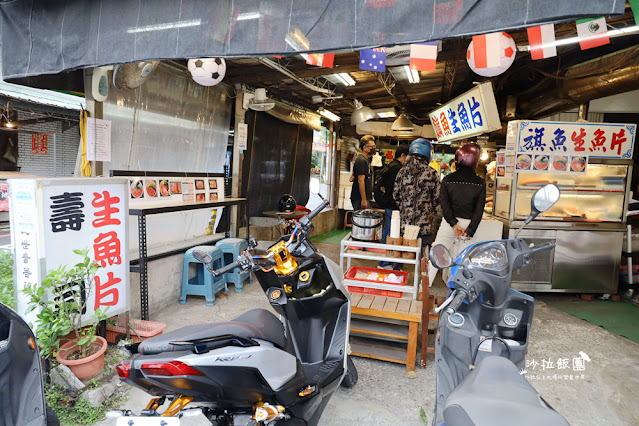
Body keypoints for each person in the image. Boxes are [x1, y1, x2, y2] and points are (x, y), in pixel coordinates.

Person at [428, 143, 486, 286]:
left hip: (449, 224)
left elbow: (445, 205)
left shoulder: (448, 180)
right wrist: (470, 230)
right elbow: (479, 210)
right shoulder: (480, 182)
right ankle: (459, 290)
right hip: (469, 224)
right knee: (464, 259)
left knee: (438, 253)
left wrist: (453, 223)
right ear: (475, 160)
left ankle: (425, 285)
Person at [393, 138, 441, 255]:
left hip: (405, 225)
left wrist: (405, 209)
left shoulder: (402, 172)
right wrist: (431, 212)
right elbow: (438, 200)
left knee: (401, 255)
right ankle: (422, 273)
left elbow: (396, 195)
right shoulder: (432, 173)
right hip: (425, 226)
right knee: (423, 258)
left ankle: (397, 272)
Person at [377, 144, 409, 270]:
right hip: (394, 207)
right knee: (392, 234)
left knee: (388, 233)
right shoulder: (397, 169)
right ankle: (385, 263)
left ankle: (384, 262)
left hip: (389, 204)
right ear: (403, 156)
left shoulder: (390, 166)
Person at [350, 135, 376, 210]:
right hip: (359, 198)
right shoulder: (361, 160)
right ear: (365, 148)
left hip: (362, 198)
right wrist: (364, 200)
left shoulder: (365, 160)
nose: (374, 149)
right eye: (372, 147)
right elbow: (361, 181)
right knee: (361, 221)